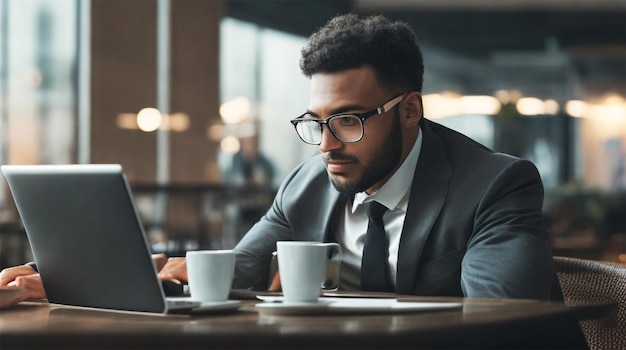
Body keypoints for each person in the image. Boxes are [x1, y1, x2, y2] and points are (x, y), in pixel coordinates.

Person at [0, 13, 558, 301]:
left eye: (349, 120)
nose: (326, 144)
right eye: (315, 123)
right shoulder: (307, 184)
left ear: (409, 110)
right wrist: (73, 279)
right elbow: (232, 272)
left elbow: (502, 315)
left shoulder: (496, 184)